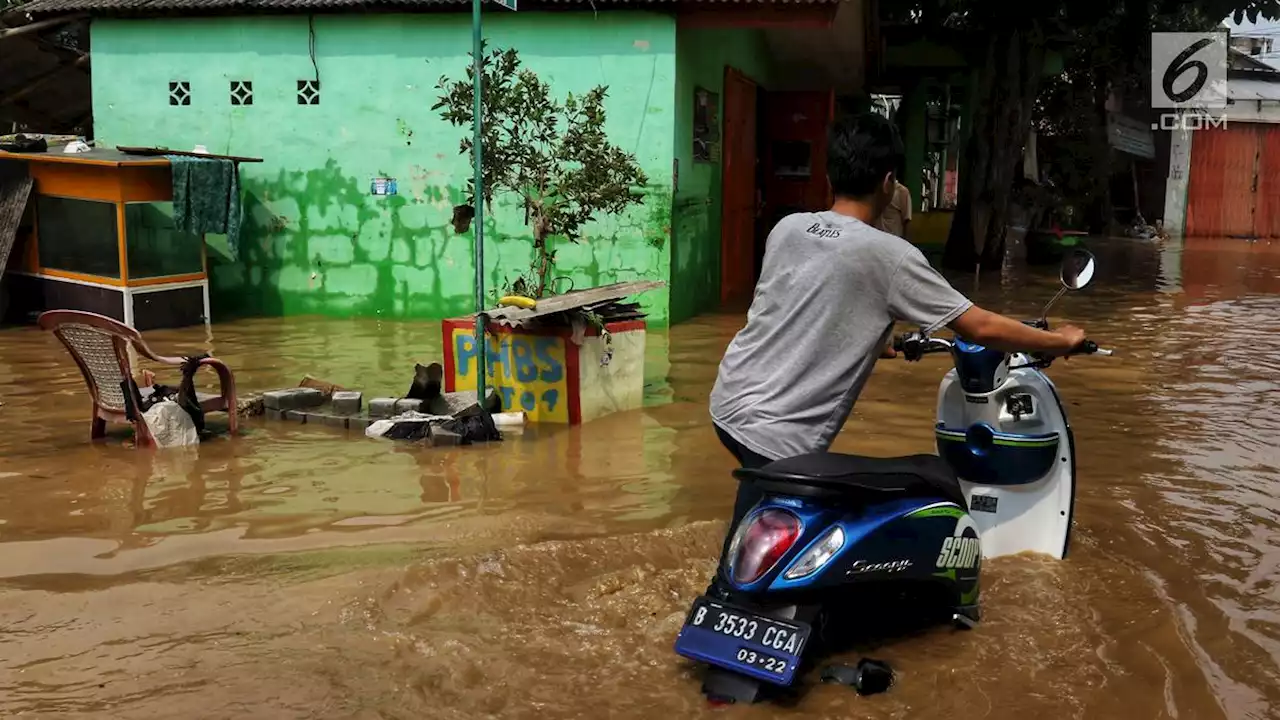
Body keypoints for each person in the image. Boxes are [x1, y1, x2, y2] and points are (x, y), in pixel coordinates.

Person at [705, 112, 1085, 597]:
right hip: (778, 436)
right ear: (889, 183)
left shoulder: (788, 228)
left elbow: (799, 305)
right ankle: (734, 608)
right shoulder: (891, 256)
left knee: (761, 524)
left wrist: (882, 344)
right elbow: (980, 326)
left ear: (829, 175)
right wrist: (1063, 341)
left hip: (728, 404)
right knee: (931, 480)